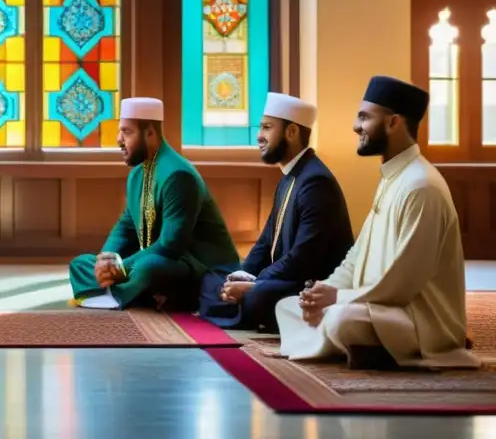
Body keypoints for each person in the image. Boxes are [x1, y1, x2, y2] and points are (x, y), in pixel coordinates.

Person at [276, 76, 481, 369]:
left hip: (417, 316)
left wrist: (338, 299)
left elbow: (403, 284)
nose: (356, 126)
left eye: (364, 117)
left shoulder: (420, 186)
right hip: (375, 306)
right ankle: (365, 349)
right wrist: (324, 290)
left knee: (340, 319)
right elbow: (356, 255)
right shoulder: (393, 177)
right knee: (288, 305)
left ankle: (418, 348)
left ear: (393, 122)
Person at [198, 93, 354, 332]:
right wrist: (244, 274)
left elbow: (302, 259)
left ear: (291, 132)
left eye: (267, 128)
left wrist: (256, 284)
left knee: (259, 296)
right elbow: (266, 241)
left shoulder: (316, 182)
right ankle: (241, 303)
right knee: (214, 276)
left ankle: (244, 305)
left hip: (307, 282)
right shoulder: (290, 176)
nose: (259, 136)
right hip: (284, 275)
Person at [69, 97, 240, 311]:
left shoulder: (178, 175)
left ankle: (120, 294)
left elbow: (170, 245)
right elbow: (126, 226)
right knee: (81, 263)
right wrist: (105, 262)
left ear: (150, 133)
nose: (119, 139)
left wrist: (120, 267)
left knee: (149, 267)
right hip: (155, 260)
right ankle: (134, 294)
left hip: (197, 266)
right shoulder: (137, 175)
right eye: (120, 131)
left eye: (126, 132)